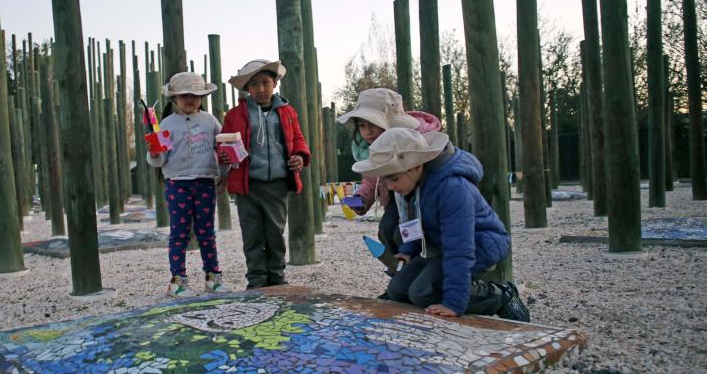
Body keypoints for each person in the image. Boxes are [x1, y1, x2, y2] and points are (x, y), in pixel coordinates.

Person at [352, 127, 530, 321]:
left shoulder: (452, 189)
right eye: (386, 180)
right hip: (443, 245)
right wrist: (409, 249)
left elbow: (460, 250)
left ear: (416, 167)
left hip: (480, 244)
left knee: (422, 293)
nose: (390, 186)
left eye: (394, 178)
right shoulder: (414, 184)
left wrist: (454, 303)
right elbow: (414, 221)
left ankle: (501, 295)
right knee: (398, 289)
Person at [218, 59, 310, 289]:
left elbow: (298, 139)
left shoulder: (287, 112)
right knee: (252, 234)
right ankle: (257, 279)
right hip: (247, 184)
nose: (260, 89)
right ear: (247, 88)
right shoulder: (235, 114)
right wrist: (225, 155)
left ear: (275, 83)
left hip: (277, 184)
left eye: (265, 82)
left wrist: (300, 156)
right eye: (254, 84)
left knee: (275, 234)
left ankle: (277, 277)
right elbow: (222, 143)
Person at [338, 88, 441, 275]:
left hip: (420, 200)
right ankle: (400, 273)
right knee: (387, 230)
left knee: (403, 233)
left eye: (373, 125)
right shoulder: (374, 148)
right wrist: (359, 198)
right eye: (362, 125)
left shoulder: (414, 142)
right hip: (396, 198)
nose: (367, 132)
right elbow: (371, 179)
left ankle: (414, 274)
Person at [147, 72, 231, 298]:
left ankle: (213, 277)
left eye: (195, 94)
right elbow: (160, 158)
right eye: (184, 95)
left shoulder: (211, 121)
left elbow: (223, 149)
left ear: (203, 96)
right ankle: (177, 280)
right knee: (179, 233)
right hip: (177, 182)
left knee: (206, 231)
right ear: (174, 98)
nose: (190, 99)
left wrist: (224, 173)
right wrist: (154, 153)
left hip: (205, 181)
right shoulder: (166, 124)